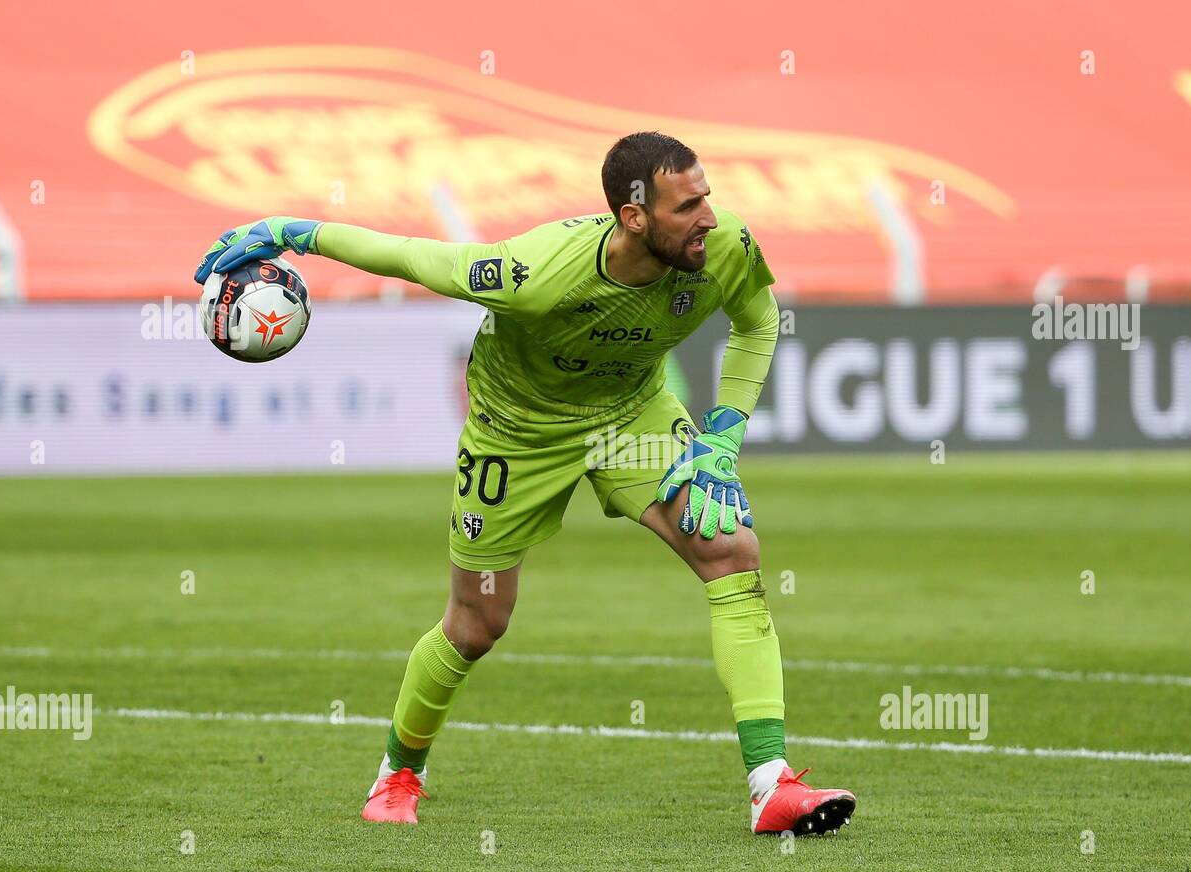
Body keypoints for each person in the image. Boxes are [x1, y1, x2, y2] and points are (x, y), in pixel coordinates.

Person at [193, 131, 855, 836]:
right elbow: (418, 257)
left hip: (630, 417)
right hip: (516, 436)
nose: (709, 218)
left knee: (730, 547)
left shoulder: (722, 250)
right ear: (634, 217)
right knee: (478, 622)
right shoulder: (535, 271)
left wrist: (722, 435)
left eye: (707, 198)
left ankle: (769, 784)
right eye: (688, 206)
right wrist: (294, 232)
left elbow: (757, 321)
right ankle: (398, 772)